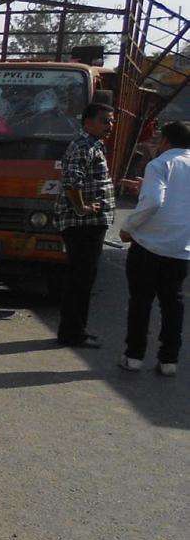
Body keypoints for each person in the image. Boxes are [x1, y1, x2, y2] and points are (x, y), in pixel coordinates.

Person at [117, 119, 190, 375]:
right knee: (173, 303)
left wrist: (129, 226)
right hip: (181, 248)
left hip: (149, 244)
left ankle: (134, 356)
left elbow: (154, 202)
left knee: (141, 302)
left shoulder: (159, 164)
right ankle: (169, 360)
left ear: (166, 141)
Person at [55, 92, 116, 348]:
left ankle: (75, 330)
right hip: (83, 225)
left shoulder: (93, 145)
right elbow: (71, 182)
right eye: (105, 121)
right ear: (88, 122)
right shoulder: (82, 146)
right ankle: (72, 333)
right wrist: (81, 208)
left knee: (84, 278)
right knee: (80, 279)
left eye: (111, 121)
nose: (109, 126)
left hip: (91, 222)